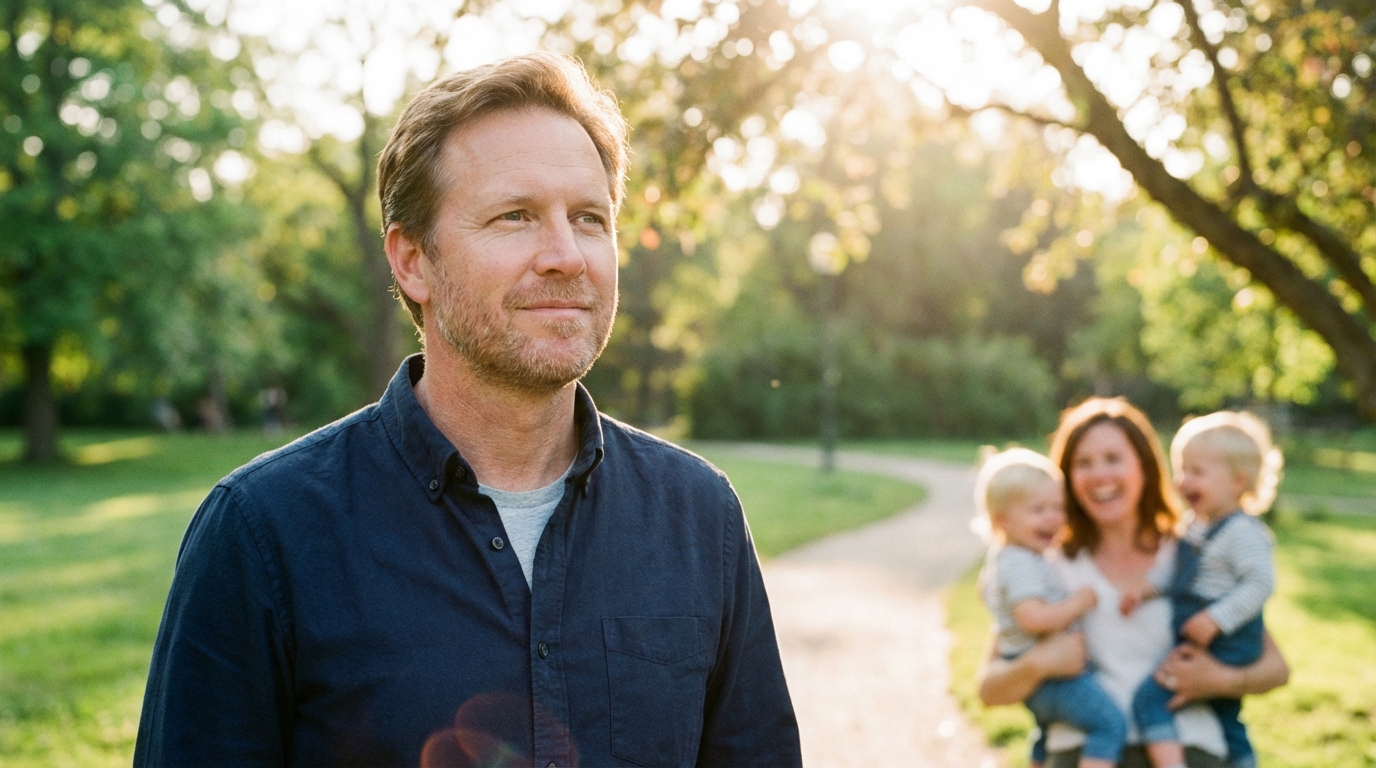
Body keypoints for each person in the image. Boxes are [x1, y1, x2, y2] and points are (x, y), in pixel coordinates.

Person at [134, 53, 801, 767]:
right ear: (413, 261)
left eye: (588, 218)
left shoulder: (701, 516)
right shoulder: (263, 535)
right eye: (516, 216)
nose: (566, 255)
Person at [975, 398, 1289, 768]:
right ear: (1066, 479)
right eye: (1083, 463)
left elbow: (1276, 669)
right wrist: (1038, 664)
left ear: (1144, 466)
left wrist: (1217, 679)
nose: (1099, 475)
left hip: (1188, 747)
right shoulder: (1047, 566)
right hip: (1083, 750)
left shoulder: (1191, 553)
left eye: (1113, 459)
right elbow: (988, 689)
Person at [1129, 412, 1282, 768]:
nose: (1183, 481)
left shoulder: (1243, 532)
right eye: (1182, 470)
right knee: (1223, 713)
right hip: (1200, 627)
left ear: (1238, 481)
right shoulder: (1194, 525)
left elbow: (1260, 583)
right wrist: (1147, 589)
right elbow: (1172, 572)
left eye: (1197, 472)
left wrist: (1216, 619)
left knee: (1155, 700)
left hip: (1226, 637)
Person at [975, 448, 1127, 768]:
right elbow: (1031, 618)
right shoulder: (1019, 561)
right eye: (1038, 510)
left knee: (1045, 732)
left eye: (1058, 508)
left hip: (1042, 681)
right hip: (1052, 679)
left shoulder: (1014, 556)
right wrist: (1078, 603)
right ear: (1001, 520)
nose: (1053, 518)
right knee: (1108, 724)